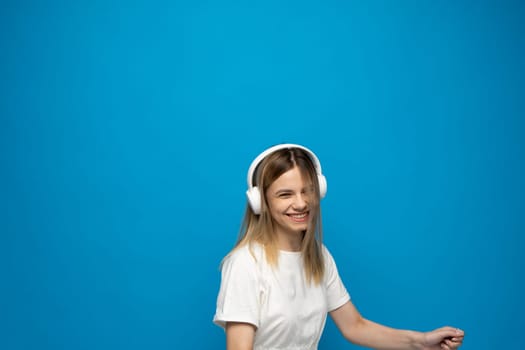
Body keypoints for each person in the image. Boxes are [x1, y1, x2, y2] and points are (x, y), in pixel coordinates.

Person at [213, 144, 465, 350]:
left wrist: (420, 342)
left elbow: (354, 326)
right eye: (285, 194)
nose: (301, 203)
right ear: (260, 202)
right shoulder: (245, 263)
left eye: (307, 191)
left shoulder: (319, 257)